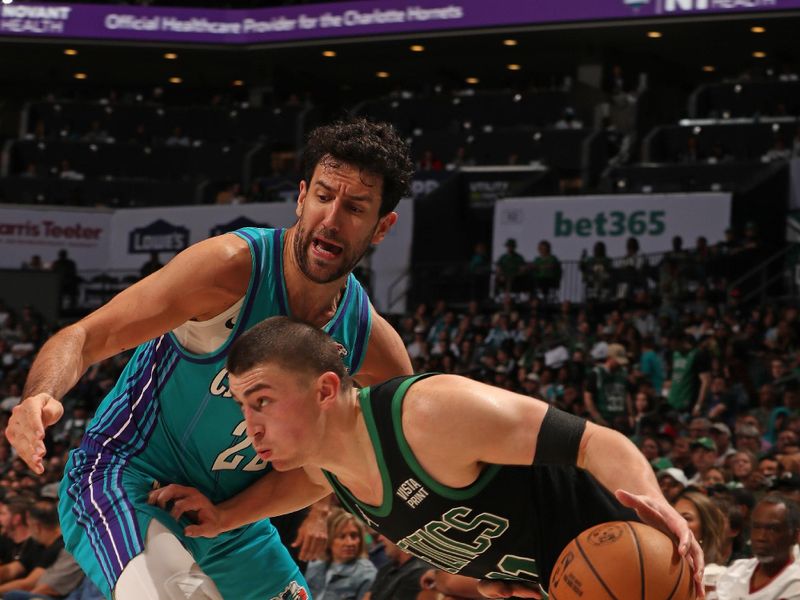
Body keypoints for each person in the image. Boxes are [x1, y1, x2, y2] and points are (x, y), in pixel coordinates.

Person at [5, 118, 415, 600]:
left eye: (354, 207)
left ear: (382, 226)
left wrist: (231, 516)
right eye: (324, 196)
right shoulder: (229, 268)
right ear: (302, 197)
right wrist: (39, 396)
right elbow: (86, 335)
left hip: (228, 518)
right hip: (123, 478)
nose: (331, 217)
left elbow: (333, 468)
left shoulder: (372, 347)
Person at [149, 316, 704, 598]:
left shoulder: (428, 415)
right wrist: (225, 516)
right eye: (245, 406)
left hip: (632, 571)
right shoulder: (325, 463)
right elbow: (299, 488)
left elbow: (595, 443)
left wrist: (653, 506)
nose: (250, 425)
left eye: (262, 401)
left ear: (324, 390)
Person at [713, 494, 800, 599]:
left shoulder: (796, 582)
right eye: (756, 527)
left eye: (773, 529)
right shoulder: (738, 569)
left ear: (795, 536)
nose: (761, 537)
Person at [304, 509, 376, 600]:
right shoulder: (314, 567)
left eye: (354, 536)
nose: (349, 543)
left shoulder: (367, 573)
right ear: (329, 539)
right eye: (342, 536)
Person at [0, 500, 67, 596]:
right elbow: (12, 569)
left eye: (29, 525)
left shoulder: (61, 547)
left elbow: (28, 584)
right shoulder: (36, 544)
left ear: (37, 526)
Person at [364, 534, 431, 600]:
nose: (380, 538)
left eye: (385, 533)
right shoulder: (385, 568)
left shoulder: (420, 572)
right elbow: (367, 596)